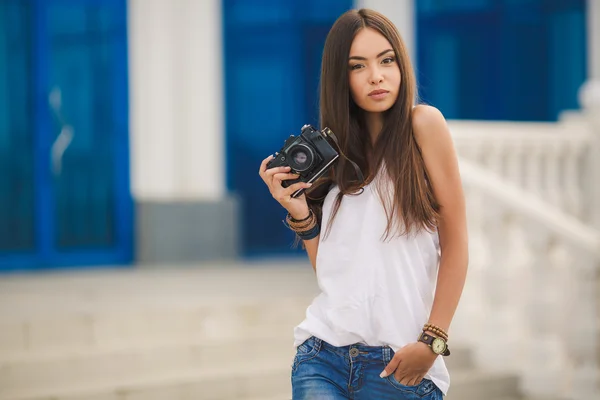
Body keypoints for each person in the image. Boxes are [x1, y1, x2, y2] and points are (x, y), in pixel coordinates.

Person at [258, 8, 468, 400]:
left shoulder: (423, 126)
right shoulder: (330, 156)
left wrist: (433, 340)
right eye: (358, 66)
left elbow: (455, 242)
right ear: (342, 78)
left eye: (386, 60)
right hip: (322, 356)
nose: (377, 75)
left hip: (401, 365)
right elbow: (337, 275)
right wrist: (301, 214)